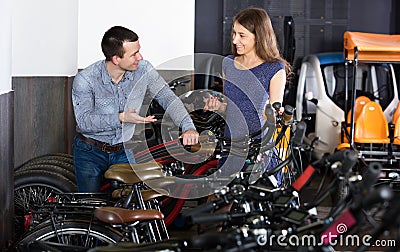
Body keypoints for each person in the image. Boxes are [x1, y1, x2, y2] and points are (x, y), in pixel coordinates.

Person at [72, 26, 199, 193]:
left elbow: (168, 98)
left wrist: (188, 127)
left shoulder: (144, 69)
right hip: (89, 151)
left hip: (124, 148)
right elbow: (84, 122)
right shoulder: (86, 79)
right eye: (134, 54)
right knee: (90, 208)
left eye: (139, 51)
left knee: (130, 206)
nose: (140, 57)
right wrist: (121, 118)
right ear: (116, 58)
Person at [204, 7, 291, 178]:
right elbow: (230, 106)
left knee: (258, 201)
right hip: (231, 147)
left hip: (259, 149)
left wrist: (273, 114)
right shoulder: (228, 63)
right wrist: (218, 107)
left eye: (242, 35)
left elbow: (273, 113)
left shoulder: (274, 68)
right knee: (223, 202)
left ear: (259, 36)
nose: (235, 40)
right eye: (234, 33)